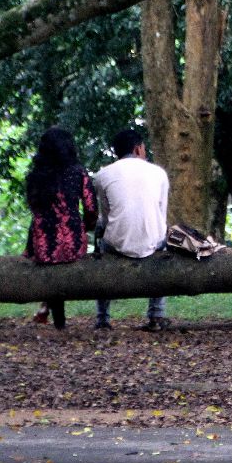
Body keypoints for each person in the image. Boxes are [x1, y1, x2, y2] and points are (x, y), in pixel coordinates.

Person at [91, 128, 170, 331]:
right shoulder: (159, 173)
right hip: (153, 242)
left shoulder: (103, 175)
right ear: (137, 149)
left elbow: (107, 215)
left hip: (117, 243)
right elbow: (161, 213)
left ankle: (102, 318)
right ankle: (156, 314)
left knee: (102, 244)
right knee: (162, 242)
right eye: (144, 148)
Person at [23, 127, 98, 331]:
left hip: (43, 244)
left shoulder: (35, 176)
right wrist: (87, 227)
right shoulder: (78, 173)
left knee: (48, 259)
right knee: (62, 260)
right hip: (71, 241)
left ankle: (55, 317)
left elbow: (35, 208)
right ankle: (56, 318)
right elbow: (91, 208)